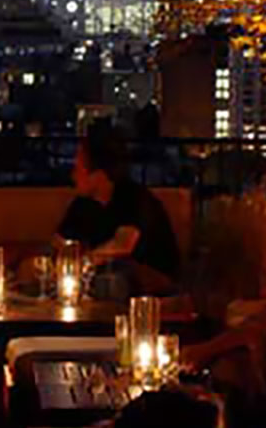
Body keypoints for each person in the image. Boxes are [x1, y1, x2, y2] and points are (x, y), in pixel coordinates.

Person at [57, 126, 180, 299]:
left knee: (115, 277)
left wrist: (84, 262)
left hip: (150, 290)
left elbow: (123, 245)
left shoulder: (135, 198)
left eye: (79, 169)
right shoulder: (82, 204)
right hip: (101, 282)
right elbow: (61, 243)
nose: (73, 175)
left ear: (98, 174)